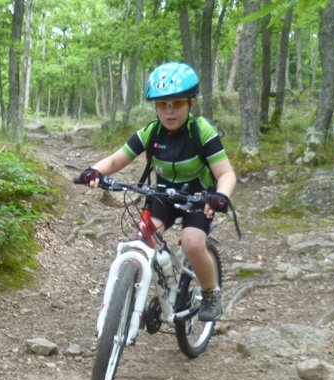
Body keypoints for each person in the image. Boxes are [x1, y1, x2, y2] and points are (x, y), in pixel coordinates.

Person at [78, 61, 236, 322]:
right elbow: (117, 159)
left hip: (199, 198)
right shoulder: (152, 132)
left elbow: (226, 174)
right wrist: (94, 171)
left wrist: (221, 195)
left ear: (191, 103)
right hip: (163, 194)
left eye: (177, 103)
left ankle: (210, 293)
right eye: (163, 104)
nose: (169, 111)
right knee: (143, 238)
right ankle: (129, 297)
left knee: (193, 243)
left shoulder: (202, 131)